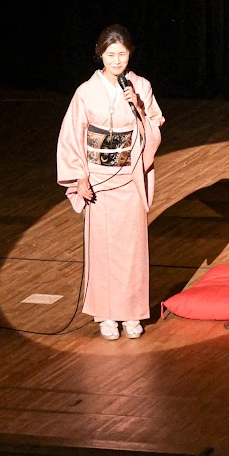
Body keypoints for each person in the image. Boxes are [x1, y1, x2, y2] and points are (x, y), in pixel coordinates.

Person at [56, 26, 165, 340]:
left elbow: (154, 128)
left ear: (130, 54)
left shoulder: (140, 86)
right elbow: (71, 136)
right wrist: (80, 176)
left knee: (131, 250)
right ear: (100, 54)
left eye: (122, 54)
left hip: (128, 177)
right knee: (103, 250)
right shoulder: (85, 92)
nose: (117, 60)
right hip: (98, 180)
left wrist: (140, 109)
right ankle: (105, 315)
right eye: (110, 54)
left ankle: (131, 313)